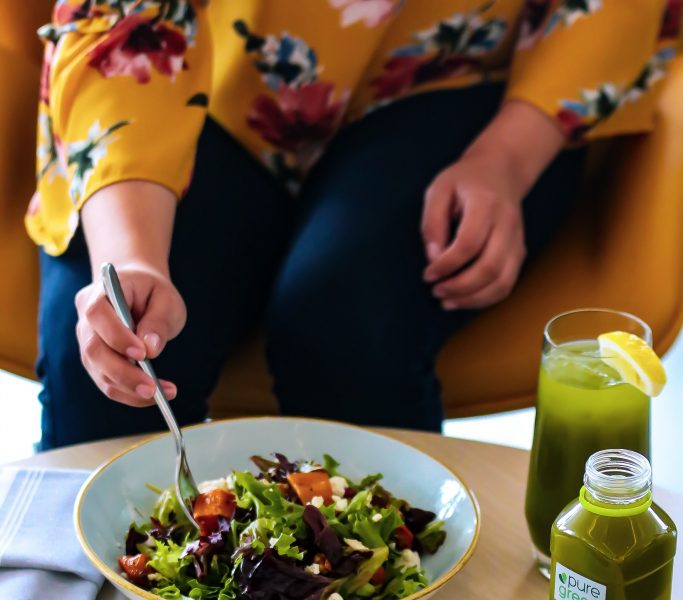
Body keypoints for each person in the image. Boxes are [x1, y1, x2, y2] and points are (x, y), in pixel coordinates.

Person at [27, 0, 675, 449]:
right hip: (208, 81)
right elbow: (121, 14)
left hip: (455, 80)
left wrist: (506, 158)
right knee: (104, 366)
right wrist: (133, 258)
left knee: (348, 323)